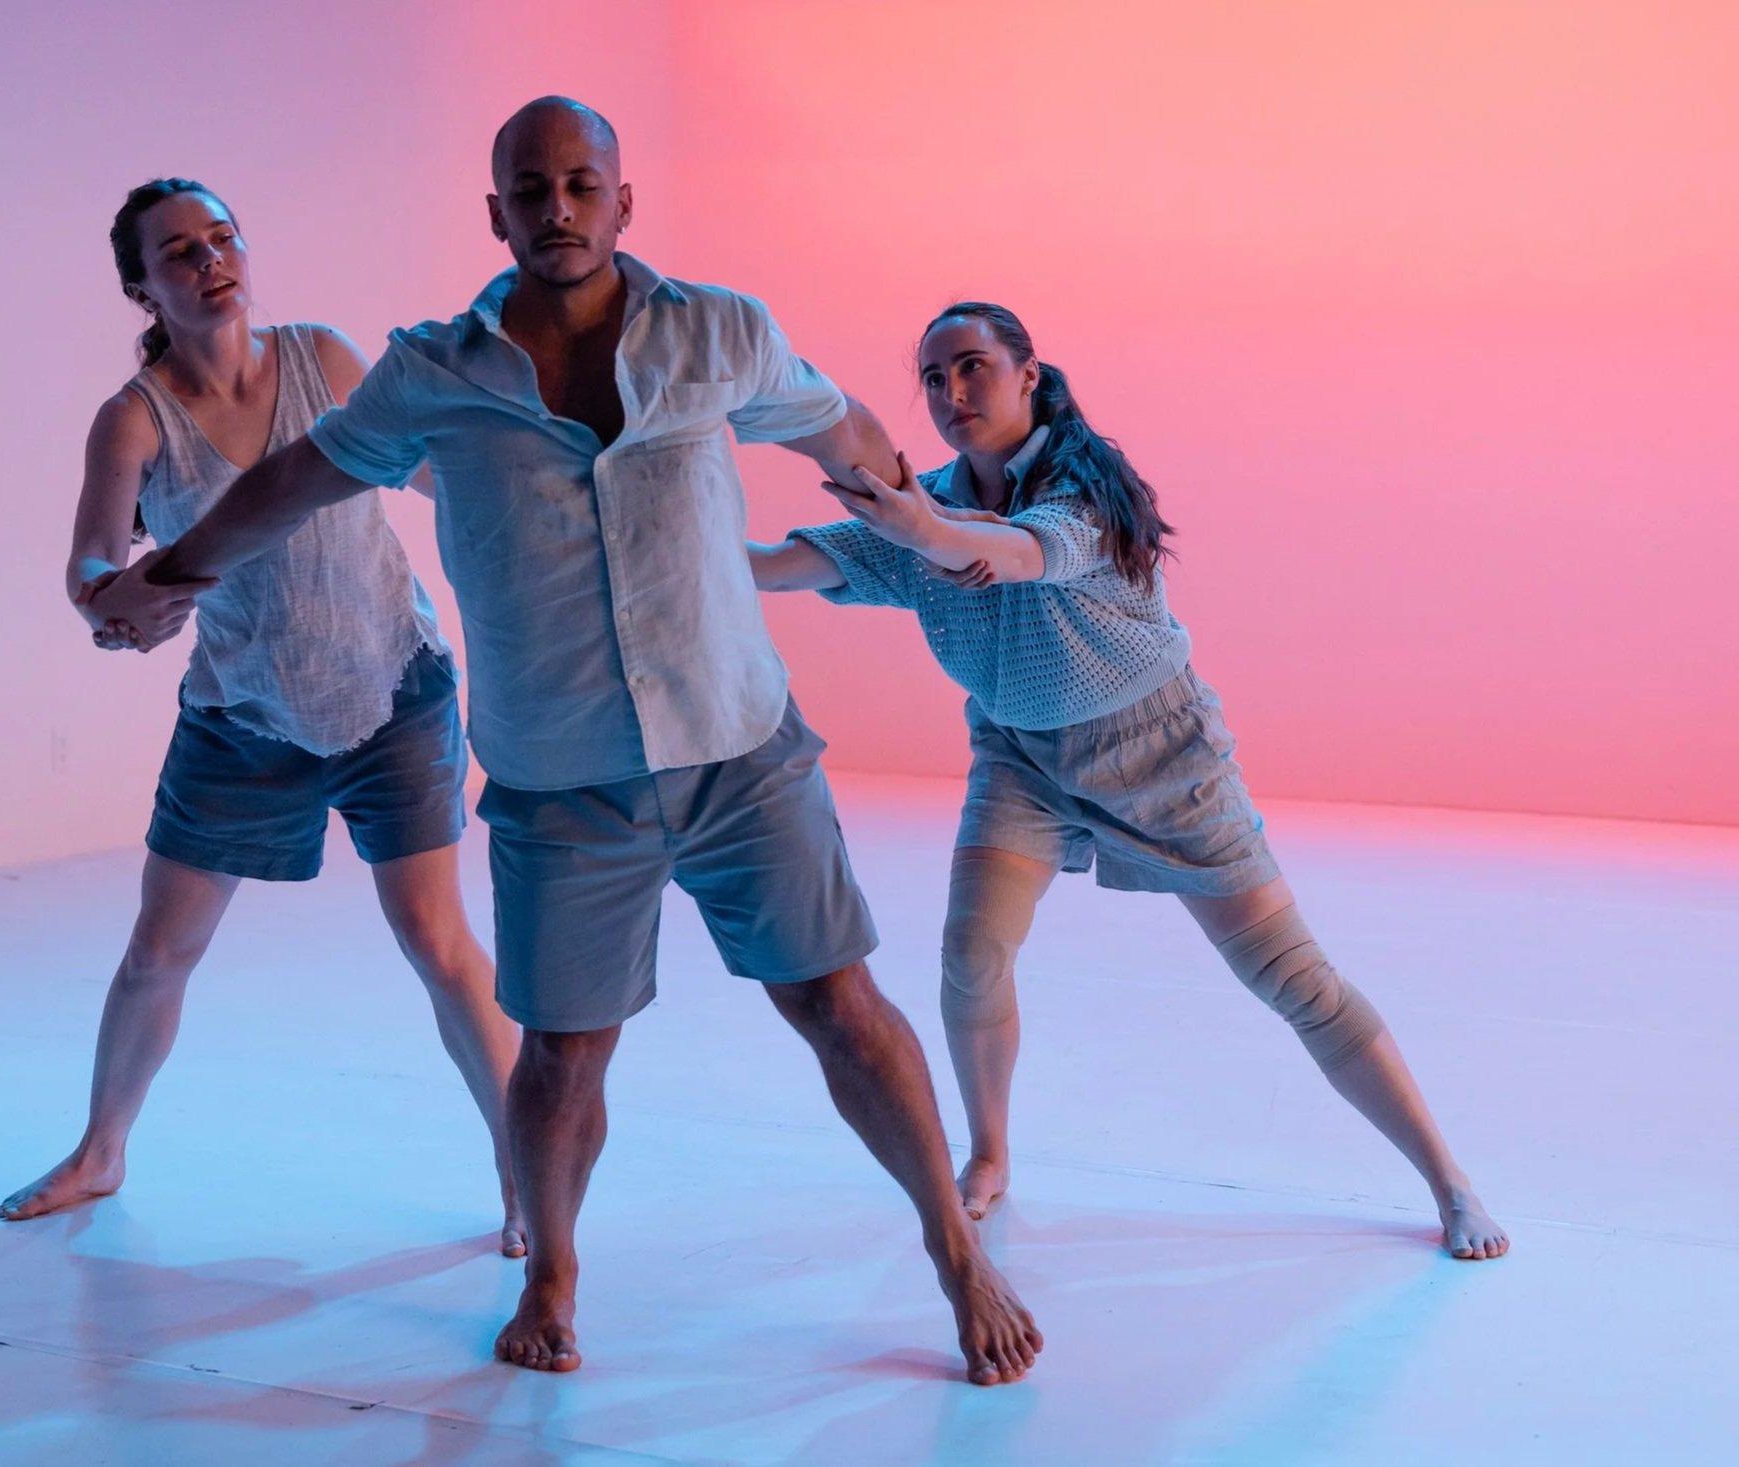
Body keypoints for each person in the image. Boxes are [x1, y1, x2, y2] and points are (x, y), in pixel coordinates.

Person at [133, 101, 1044, 1385]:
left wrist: (924, 519)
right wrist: (170, 573)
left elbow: (834, 425)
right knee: (563, 1054)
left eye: (580, 185)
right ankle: (553, 1271)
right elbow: (295, 482)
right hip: (564, 780)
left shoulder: (719, 332)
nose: (556, 208)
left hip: (738, 747)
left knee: (843, 1008)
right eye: (530, 189)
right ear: (495, 213)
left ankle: (958, 1253)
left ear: (622, 203)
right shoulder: (433, 373)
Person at [749, 301, 1508, 1261]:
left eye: (974, 367)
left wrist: (920, 526)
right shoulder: (924, 504)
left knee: (1293, 979)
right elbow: (790, 564)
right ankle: (988, 1154)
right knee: (970, 954)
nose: (951, 393)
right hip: (1021, 759)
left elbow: (1016, 553)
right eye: (935, 378)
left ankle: (1450, 1181)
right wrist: (677, 560)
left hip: (1163, 758)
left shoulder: (1085, 492)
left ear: (1030, 374)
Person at [0, 179, 525, 1260]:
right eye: (179, 251)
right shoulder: (136, 418)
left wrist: (512, 475)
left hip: (393, 690)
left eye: (221, 237)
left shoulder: (322, 359)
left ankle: (529, 1176)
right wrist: (114, 600)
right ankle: (102, 1151)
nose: (209, 261)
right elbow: (90, 562)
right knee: (160, 950)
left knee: (437, 939)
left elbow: (429, 474)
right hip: (242, 718)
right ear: (142, 285)